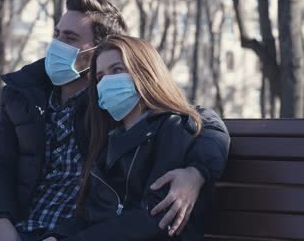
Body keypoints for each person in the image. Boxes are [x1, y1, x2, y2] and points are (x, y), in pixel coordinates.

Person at [0, 0, 229, 241]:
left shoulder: (109, 103)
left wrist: (196, 173)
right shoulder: (24, 93)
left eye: (71, 37)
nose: (57, 45)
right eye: (56, 34)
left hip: (56, 229)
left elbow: (196, 119)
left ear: (95, 52)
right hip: (9, 220)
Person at [42, 35, 228, 241]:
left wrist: (198, 172)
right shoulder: (106, 141)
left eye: (117, 70)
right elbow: (90, 215)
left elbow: (154, 217)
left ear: (144, 72)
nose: (107, 82)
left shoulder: (173, 128)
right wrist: (57, 237)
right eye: (100, 77)